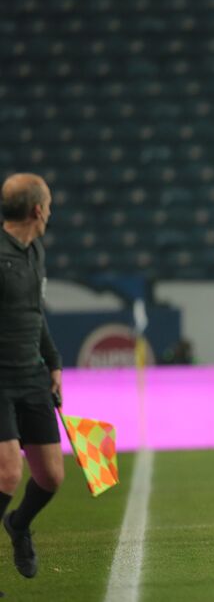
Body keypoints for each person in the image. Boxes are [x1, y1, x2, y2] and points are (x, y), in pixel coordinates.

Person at [0, 173, 65, 579]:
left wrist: (53, 362)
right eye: (50, 205)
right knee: (8, 471)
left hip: (32, 376)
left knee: (52, 477)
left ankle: (18, 525)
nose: (51, 212)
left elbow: (33, 314)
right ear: (37, 210)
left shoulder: (33, 250)